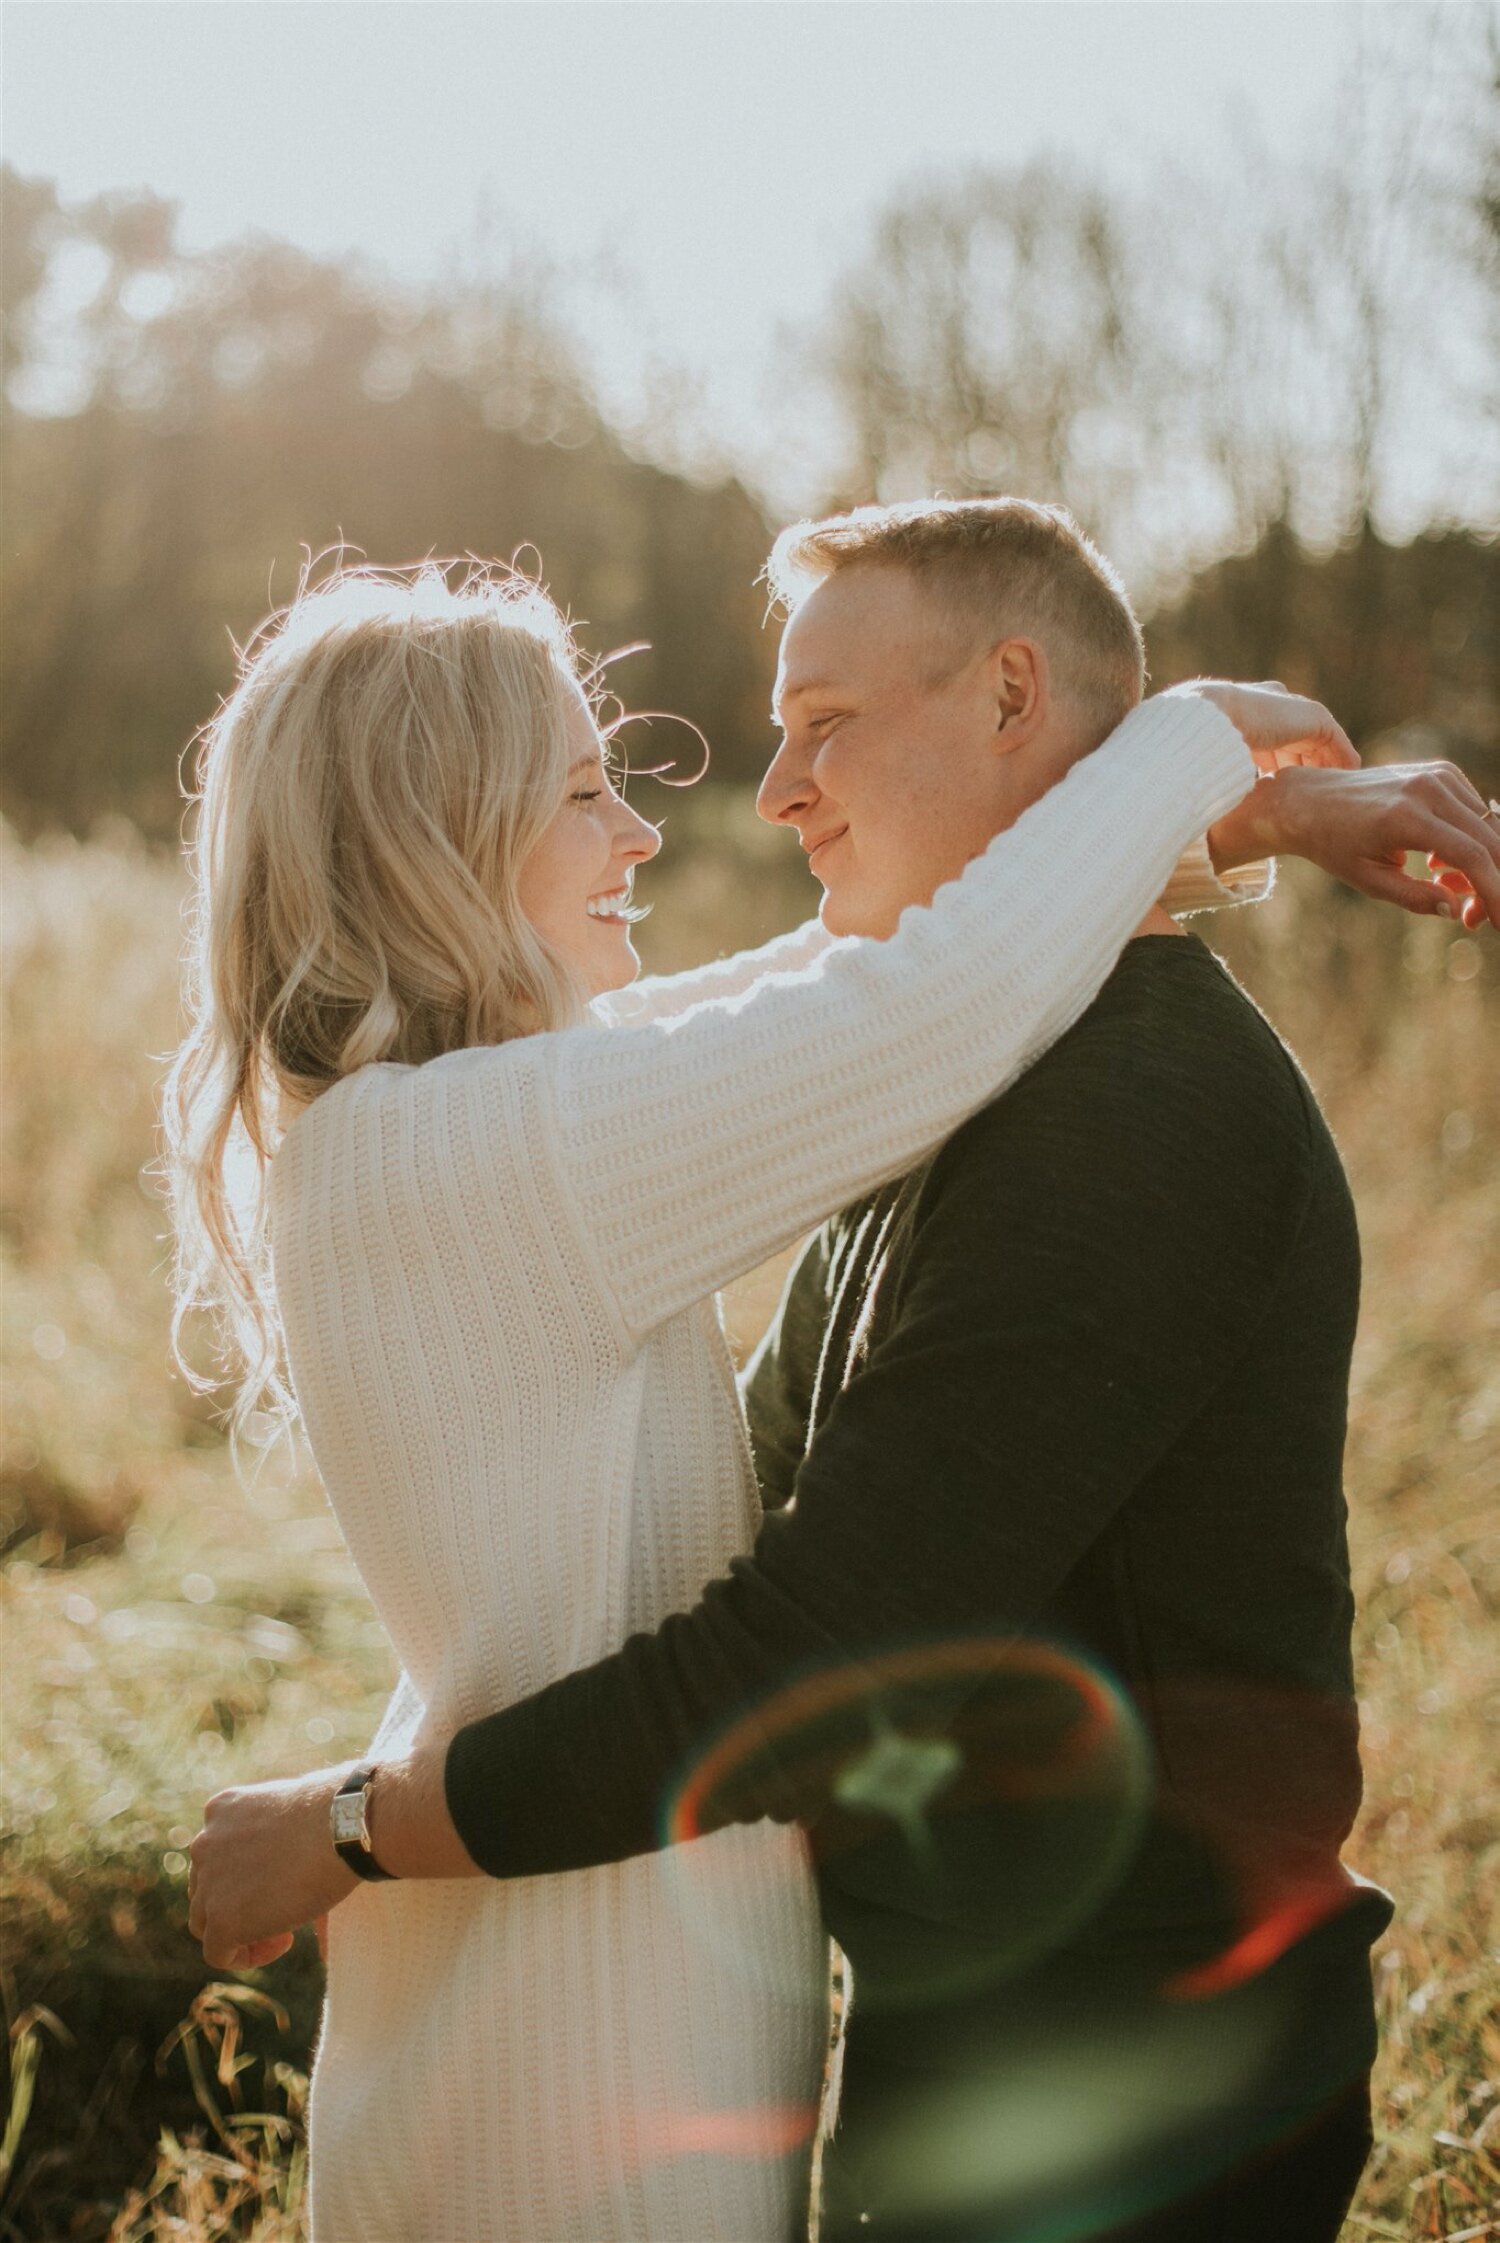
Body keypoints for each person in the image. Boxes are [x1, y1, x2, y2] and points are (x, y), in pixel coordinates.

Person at [183, 512, 1500, 2243]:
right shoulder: (496, 1148)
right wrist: (1192, 750)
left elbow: (879, 993)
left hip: (1005, 2061)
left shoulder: (478, 1128)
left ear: (1012, 694)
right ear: (438, 834)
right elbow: (919, 1002)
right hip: (585, 2017)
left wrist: (1196, 806)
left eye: (828, 725)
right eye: (588, 791)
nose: (690, 815)